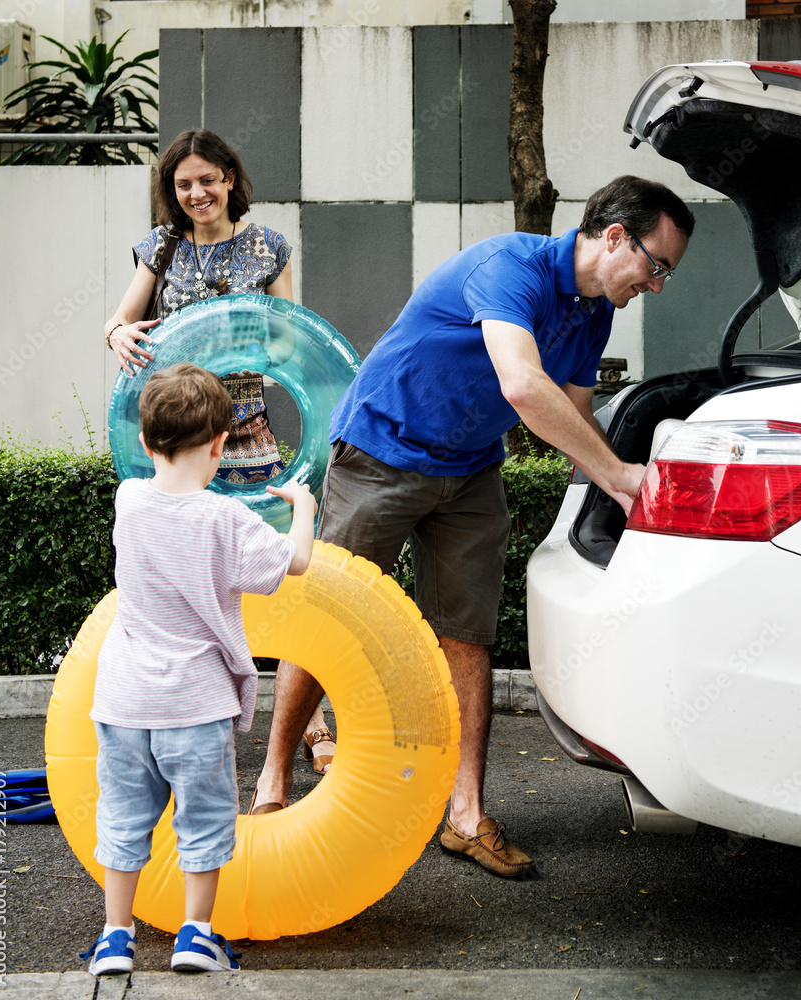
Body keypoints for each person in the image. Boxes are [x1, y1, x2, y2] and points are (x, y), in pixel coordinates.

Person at [250, 175, 694, 879]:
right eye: (656, 264)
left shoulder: (593, 312)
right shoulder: (509, 269)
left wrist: (621, 474)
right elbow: (521, 386)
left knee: (466, 635)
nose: (658, 284)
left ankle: (464, 816)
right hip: (381, 451)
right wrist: (618, 476)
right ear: (614, 236)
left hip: (469, 470)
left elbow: (571, 416)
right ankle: (272, 787)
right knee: (325, 618)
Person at [102, 128, 336, 772]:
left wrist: (249, 338)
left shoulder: (268, 245)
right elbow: (119, 319)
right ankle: (184, 706)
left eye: (208, 179)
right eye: (183, 184)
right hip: (177, 438)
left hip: (244, 433)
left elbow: (294, 336)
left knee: (272, 581)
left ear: (230, 178)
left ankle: (308, 722)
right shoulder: (161, 246)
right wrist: (118, 333)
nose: (197, 193)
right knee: (181, 573)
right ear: (171, 193)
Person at [80, 363, 316, 976]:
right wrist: (304, 505)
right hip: (196, 703)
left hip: (125, 702)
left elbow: (157, 496)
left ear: (144, 443)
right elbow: (294, 563)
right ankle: (197, 936)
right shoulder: (226, 522)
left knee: (125, 818)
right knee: (204, 819)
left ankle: (114, 937)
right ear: (220, 445)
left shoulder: (128, 501)